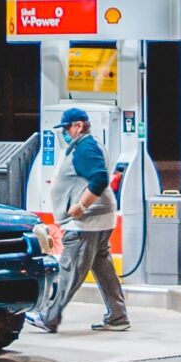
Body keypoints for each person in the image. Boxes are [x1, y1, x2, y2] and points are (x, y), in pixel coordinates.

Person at [32, 107, 130, 333]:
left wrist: (80, 206)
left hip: (86, 222)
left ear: (78, 126)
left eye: (67, 128)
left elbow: (99, 179)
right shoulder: (86, 146)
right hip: (98, 220)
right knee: (103, 268)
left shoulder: (85, 148)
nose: (64, 133)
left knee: (70, 269)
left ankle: (50, 316)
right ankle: (117, 316)